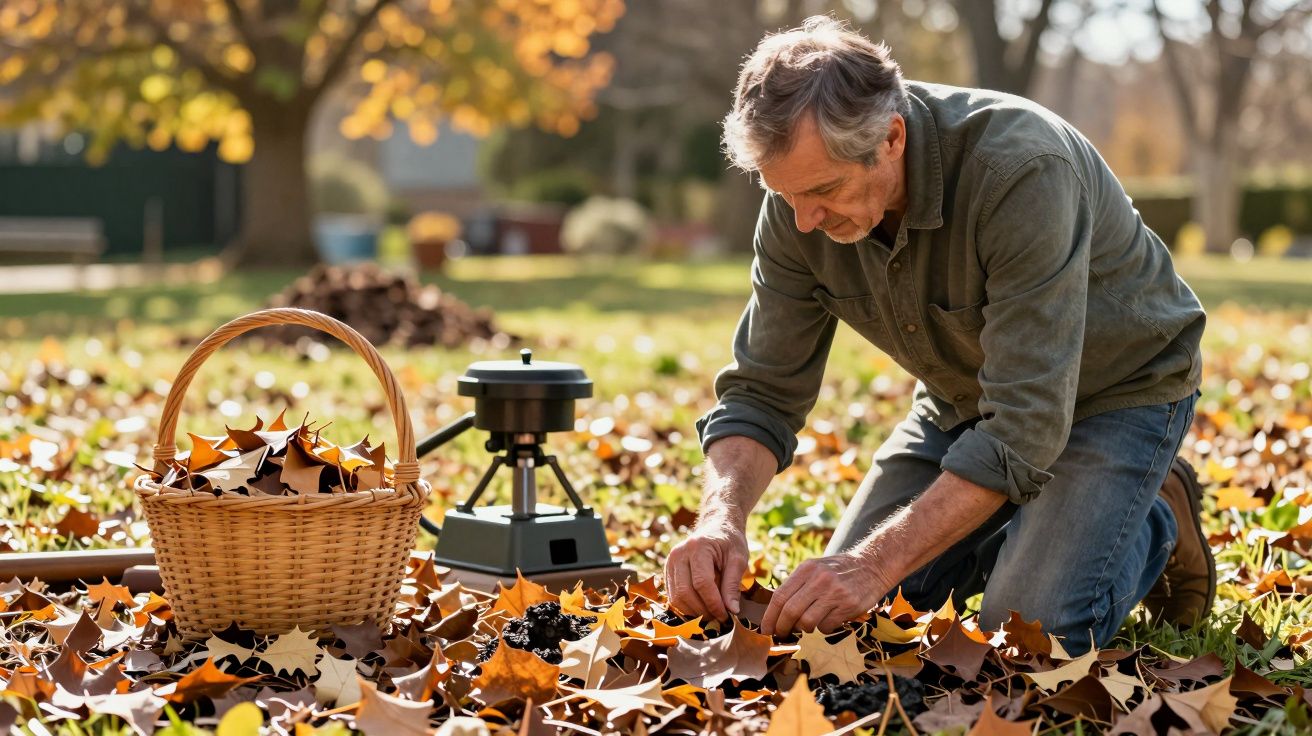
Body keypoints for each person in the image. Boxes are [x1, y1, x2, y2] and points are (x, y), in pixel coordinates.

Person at [663, 16, 1213, 654]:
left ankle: (1154, 511)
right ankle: (1035, 520)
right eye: (784, 194)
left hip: (1119, 389)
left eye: (824, 191)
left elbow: (1025, 424)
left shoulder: (1021, 169)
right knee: (850, 626)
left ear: (891, 138)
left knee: (1027, 634)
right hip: (969, 395)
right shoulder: (798, 202)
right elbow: (761, 391)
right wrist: (720, 517)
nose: (804, 220)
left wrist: (874, 564)